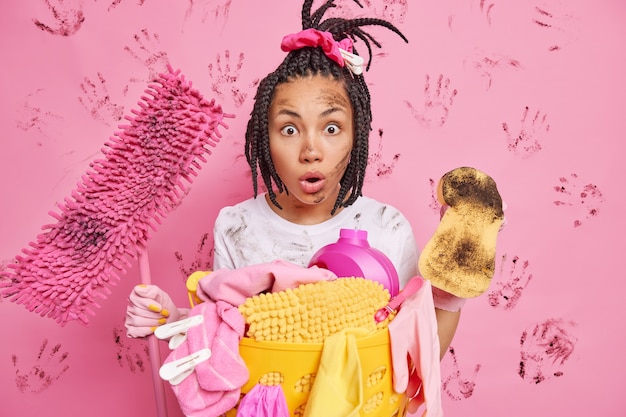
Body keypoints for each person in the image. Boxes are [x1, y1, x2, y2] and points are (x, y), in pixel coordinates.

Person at [126, 0, 464, 402]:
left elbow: (416, 361)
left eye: (332, 128)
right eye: (289, 129)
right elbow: (227, 338)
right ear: (263, 139)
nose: (310, 150)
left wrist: (450, 291)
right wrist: (177, 319)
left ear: (357, 135)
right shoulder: (236, 226)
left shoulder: (388, 227)